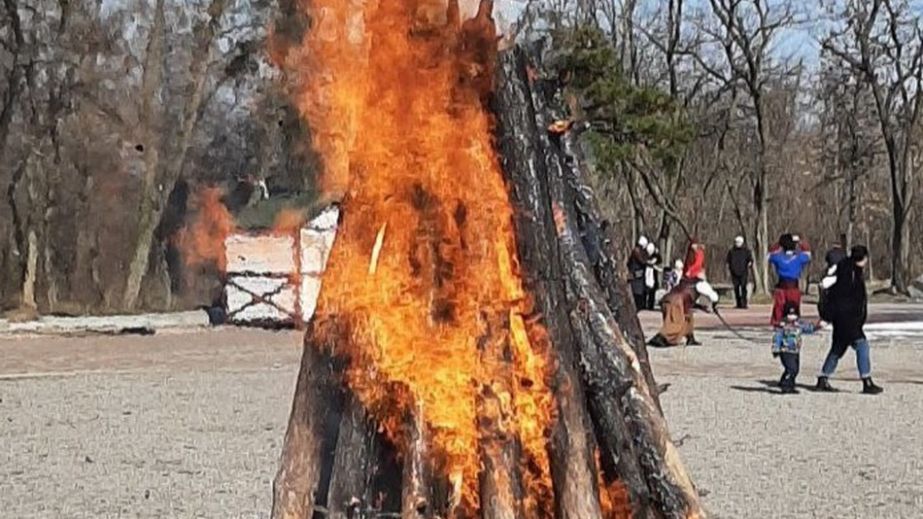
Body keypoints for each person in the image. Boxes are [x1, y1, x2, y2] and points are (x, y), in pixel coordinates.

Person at [815, 245, 883, 395]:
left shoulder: (845, 271)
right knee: (862, 346)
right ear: (862, 259)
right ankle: (866, 381)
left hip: (842, 319)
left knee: (837, 349)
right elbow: (850, 299)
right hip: (849, 320)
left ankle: (823, 378)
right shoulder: (851, 275)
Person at [647, 276, 720, 347]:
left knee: (688, 318)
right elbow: (713, 296)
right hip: (676, 302)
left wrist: (701, 307)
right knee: (676, 323)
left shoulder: (687, 283)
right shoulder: (701, 284)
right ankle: (660, 338)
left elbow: (688, 299)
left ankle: (690, 338)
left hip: (669, 299)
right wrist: (714, 304)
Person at [772, 303, 823, 394]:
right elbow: (777, 337)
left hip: (795, 351)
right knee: (791, 368)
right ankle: (786, 385)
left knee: (795, 369)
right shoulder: (782, 325)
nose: (792, 317)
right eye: (790, 315)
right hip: (785, 350)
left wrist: (817, 326)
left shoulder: (798, 324)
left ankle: (788, 382)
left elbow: (808, 329)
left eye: (794, 315)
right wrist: (776, 349)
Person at [768, 233, 812, 325]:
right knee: (794, 306)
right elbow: (808, 253)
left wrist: (779, 243)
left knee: (779, 307)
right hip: (794, 287)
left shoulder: (778, 257)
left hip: (781, 287)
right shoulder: (799, 257)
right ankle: (794, 321)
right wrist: (800, 242)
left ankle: (778, 322)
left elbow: (769, 254)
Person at [726, 236, 754, 309]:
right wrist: (729, 269)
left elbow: (750, 259)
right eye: (736, 242)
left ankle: (744, 303)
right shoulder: (731, 251)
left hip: (743, 272)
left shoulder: (746, 251)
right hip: (734, 272)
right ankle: (738, 303)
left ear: (742, 243)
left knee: (743, 287)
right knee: (736, 288)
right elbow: (728, 260)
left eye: (739, 242)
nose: (737, 244)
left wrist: (750, 263)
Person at [627, 236, 650, 311]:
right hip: (635, 276)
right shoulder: (636, 251)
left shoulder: (640, 252)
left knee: (640, 295)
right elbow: (643, 261)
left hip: (639, 276)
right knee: (637, 295)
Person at [644, 242, 662, 310]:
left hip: (653, 276)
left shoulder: (656, 256)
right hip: (647, 274)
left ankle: (650, 305)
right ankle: (645, 304)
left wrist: (657, 254)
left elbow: (659, 261)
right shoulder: (645, 255)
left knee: (652, 291)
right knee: (646, 290)